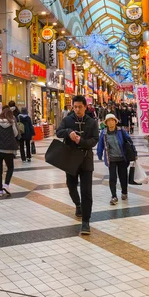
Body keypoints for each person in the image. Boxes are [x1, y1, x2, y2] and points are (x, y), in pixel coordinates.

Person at [56, 95, 99, 235]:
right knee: (71, 185)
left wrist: (81, 141)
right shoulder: (68, 120)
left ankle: (86, 222)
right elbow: (58, 132)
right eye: (75, 107)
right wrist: (69, 133)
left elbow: (94, 140)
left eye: (80, 107)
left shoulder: (92, 122)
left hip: (86, 160)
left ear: (85, 107)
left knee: (87, 191)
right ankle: (78, 204)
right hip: (71, 159)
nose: (77, 109)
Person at [97, 113, 137, 204]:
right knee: (112, 178)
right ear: (106, 123)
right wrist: (99, 154)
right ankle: (114, 196)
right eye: (109, 121)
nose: (111, 122)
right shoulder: (104, 133)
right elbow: (100, 145)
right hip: (111, 160)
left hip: (122, 158)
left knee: (123, 177)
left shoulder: (121, 131)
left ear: (115, 122)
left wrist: (134, 153)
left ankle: (124, 192)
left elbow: (129, 142)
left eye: (112, 120)